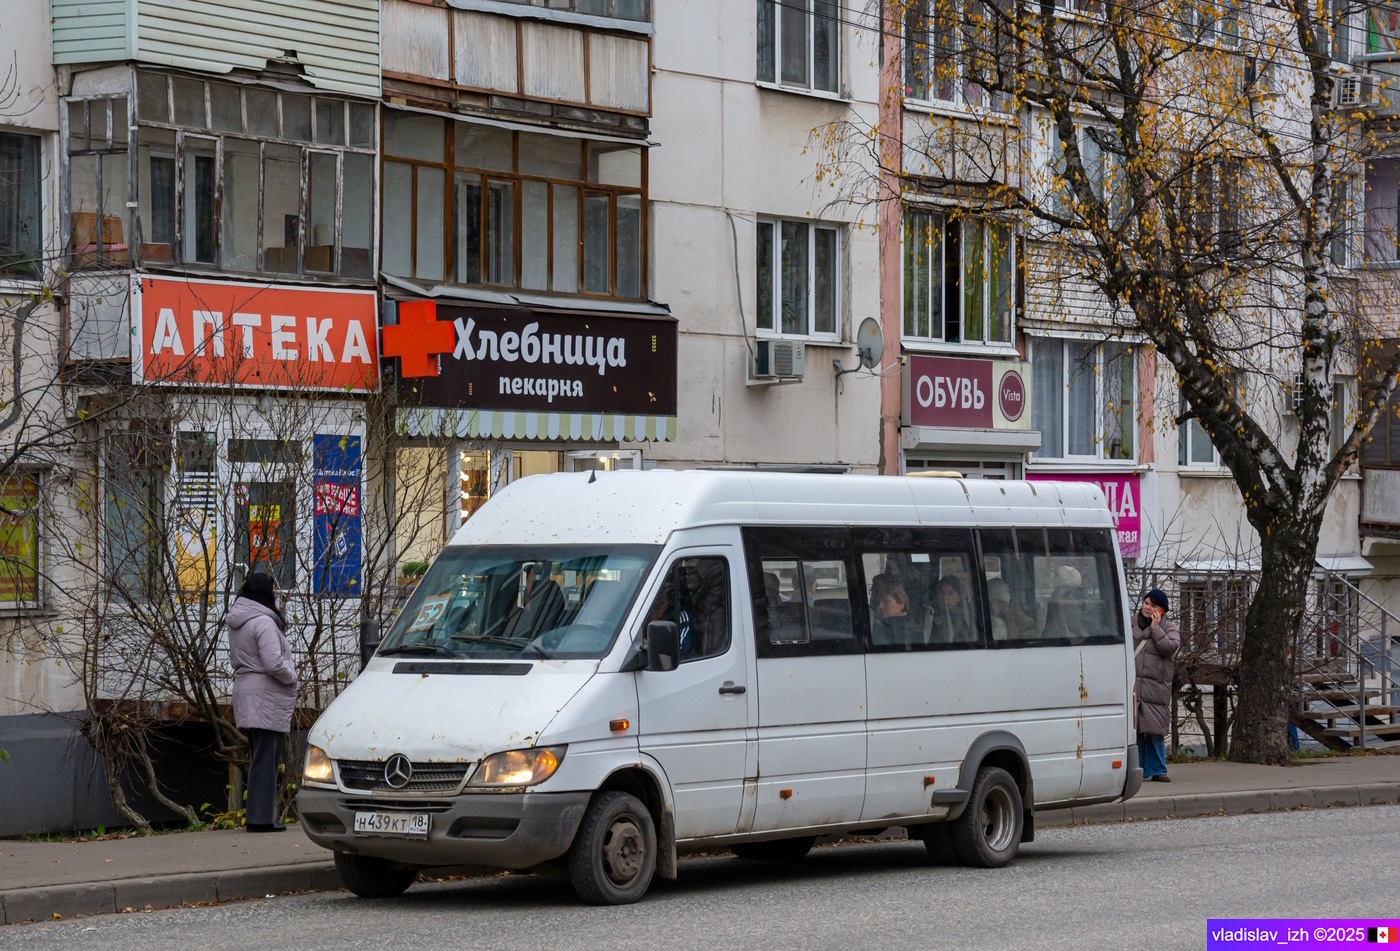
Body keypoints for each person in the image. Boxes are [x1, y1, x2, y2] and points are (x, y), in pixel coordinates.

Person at [227, 573, 298, 831]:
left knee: (259, 757)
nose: (276, 595)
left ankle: (259, 817)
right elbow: (273, 663)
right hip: (266, 696)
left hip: (247, 691)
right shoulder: (264, 622)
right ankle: (261, 820)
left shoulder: (239, 621)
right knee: (266, 761)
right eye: (273, 591)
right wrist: (292, 677)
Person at [1134, 588, 1180, 783]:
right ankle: (1137, 769)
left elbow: (1169, 648)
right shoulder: (1131, 622)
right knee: (1135, 729)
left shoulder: (1169, 627)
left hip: (1155, 688)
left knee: (1154, 730)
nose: (1147, 607)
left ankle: (1158, 770)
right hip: (1134, 685)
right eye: (1146, 603)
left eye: (1153, 605)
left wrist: (1155, 628)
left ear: (1161, 610)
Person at [869, 573, 918, 646]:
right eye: (873, 593)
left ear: (901, 603)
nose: (879, 606)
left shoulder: (907, 631)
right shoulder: (877, 621)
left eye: (886, 601)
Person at [926, 575, 974, 644]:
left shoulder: (968, 617)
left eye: (950, 593)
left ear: (959, 597)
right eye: (941, 593)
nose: (945, 597)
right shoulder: (930, 615)